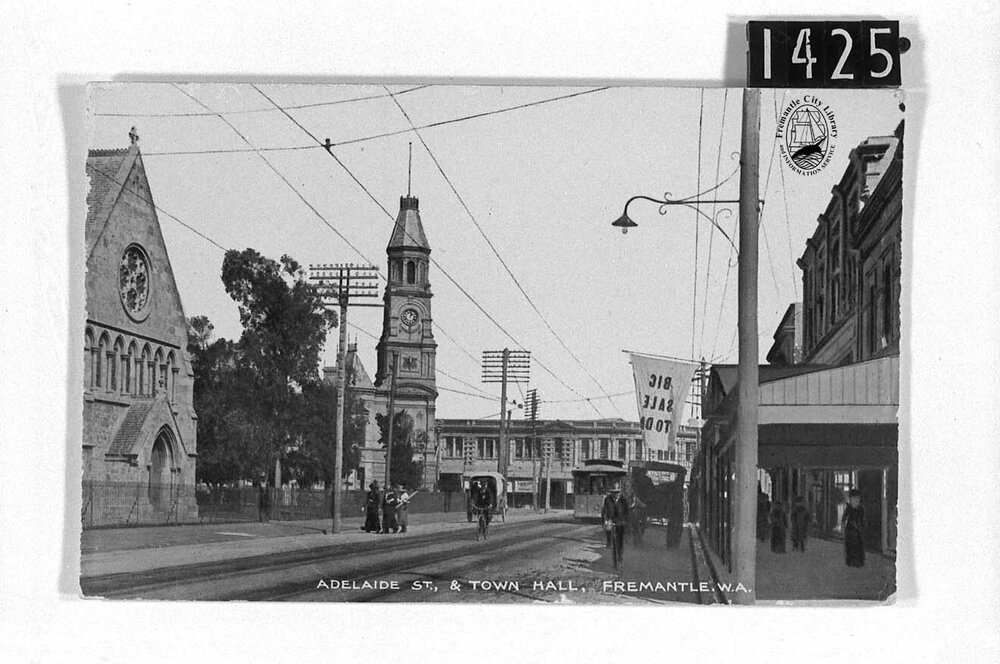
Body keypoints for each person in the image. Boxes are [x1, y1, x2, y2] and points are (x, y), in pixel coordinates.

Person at [601, 481, 629, 568]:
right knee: (610, 533)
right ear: (611, 492)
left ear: (620, 492)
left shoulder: (623, 500)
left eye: (617, 492)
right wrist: (605, 521)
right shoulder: (607, 499)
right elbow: (604, 511)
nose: (616, 494)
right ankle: (609, 542)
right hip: (610, 520)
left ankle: (620, 557)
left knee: (620, 541)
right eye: (614, 492)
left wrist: (625, 520)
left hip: (620, 521)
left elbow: (627, 512)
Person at [842, 489, 866, 567]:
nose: (854, 501)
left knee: (859, 545)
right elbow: (844, 518)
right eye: (852, 499)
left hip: (858, 530)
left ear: (859, 499)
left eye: (856, 499)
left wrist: (861, 526)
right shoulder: (849, 508)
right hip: (850, 529)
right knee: (849, 545)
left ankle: (859, 561)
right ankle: (850, 560)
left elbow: (863, 520)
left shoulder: (861, 508)